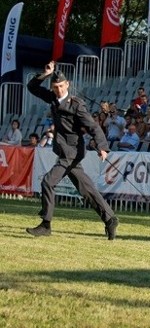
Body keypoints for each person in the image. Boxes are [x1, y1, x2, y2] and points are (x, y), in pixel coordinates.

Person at [25, 61, 118, 239]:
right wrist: (45, 74)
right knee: (87, 189)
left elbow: (93, 126)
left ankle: (46, 224)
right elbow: (32, 87)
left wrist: (102, 147)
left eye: (61, 86)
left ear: (67, 84)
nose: (58, 89)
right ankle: (110, 219)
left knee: (47, 182)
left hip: (72, 151)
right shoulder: (52, 97)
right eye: (55, 86)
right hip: (64, 150)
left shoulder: (77, 104)